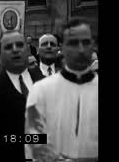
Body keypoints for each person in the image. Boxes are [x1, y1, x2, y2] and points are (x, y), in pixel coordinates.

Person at [25, 18, 98, 162]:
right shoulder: (40, 90)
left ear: (93, 46)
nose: (80, 49)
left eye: (85, 42)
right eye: (73, 43)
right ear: (63, 48)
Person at [0, 30, 44, 162]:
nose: (15, 50)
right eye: (8, 47)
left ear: (28, 50)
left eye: (19, 45)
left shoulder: (45, 83)